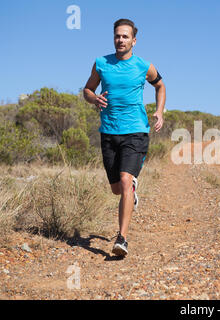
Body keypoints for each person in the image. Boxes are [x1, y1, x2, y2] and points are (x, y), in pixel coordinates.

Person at [83, 18, 166, 257]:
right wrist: (94, 98)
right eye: (117, 36)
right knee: (116, 189)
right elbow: (87, 90)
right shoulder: (101, 64)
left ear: (134, 40)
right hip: (108, 131)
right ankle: (130, 190)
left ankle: (122, 239)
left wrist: (159, 111)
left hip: (136, 130)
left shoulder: (144, 66)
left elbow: (160, 86)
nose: (120, 40)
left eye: (125, 36)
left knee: (125, 180)